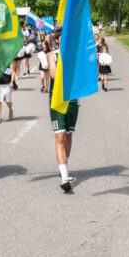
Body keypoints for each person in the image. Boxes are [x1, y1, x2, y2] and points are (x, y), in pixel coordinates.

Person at [48, 27, 78, 193]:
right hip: (57, 102)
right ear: (58, 39)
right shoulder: (52, 55)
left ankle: (65, 166)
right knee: (60, 136)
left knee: (68, 135)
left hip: (72, 101)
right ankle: (64, 176)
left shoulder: (75, 56)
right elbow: (54, 75)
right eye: (61, 36)